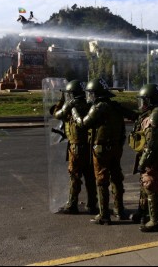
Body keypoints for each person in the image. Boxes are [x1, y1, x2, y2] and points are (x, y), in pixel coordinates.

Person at [72, 78, 131, 225]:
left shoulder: (98, 107)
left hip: (101, 149)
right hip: (116, 148)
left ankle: (104, 214)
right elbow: (132, 116)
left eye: (91, 93)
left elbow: (84, 123)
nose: (89, 96)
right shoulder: (115, 106)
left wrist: (74, 114)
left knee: (101, 179)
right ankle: (119, 210)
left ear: (96, 94)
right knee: (116, 178)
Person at [129, 83, 158, 232]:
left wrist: (142, 162)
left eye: (144, 101)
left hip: (154, 156)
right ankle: (143, 212)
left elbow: (152, 144)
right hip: (154, 155)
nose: (142, 104)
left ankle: (155, 221)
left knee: (150, 186)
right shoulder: (157, 111)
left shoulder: (156, 114)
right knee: (144, 185)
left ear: (150, 100)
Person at [50, 80, 98, 215]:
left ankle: (72, 204)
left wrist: (62, 100)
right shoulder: (89, 104)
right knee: (90, 176)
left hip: (76, 146)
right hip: (89, 146)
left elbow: (56, 114)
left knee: (75, 176)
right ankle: (92, 205)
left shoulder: (71, 106)